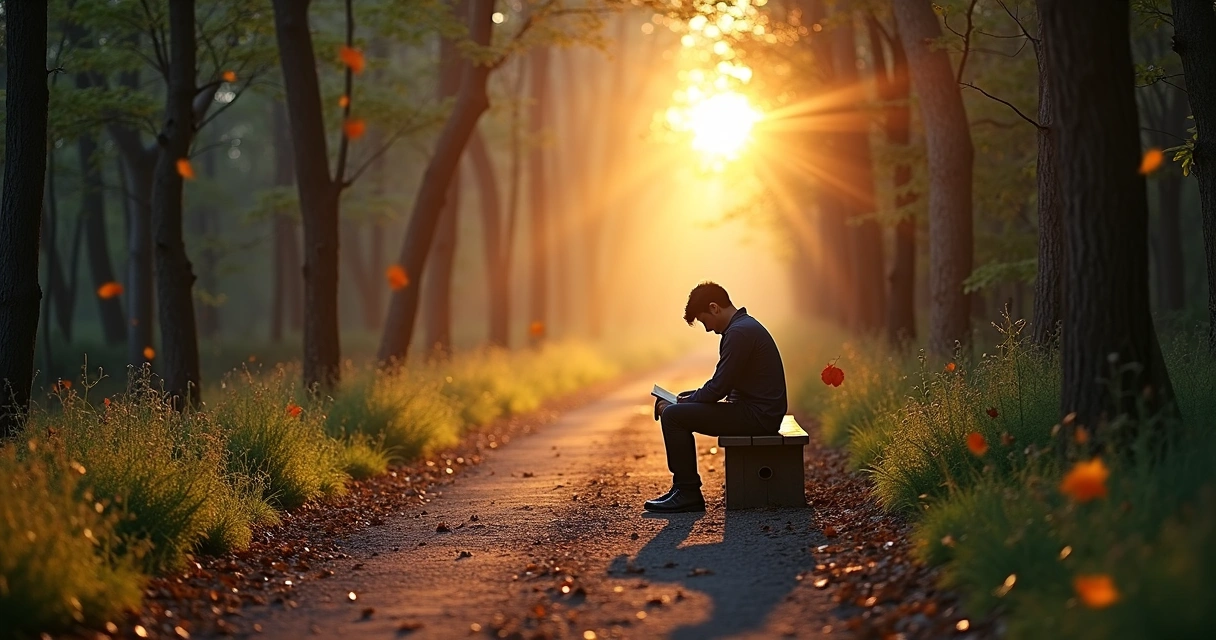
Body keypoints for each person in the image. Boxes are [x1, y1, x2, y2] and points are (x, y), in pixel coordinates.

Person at [645, 282, 788, 513]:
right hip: (755, 411)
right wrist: (684, 398)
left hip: (758, 417)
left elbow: (717, 389)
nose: (708, 329)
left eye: (704, 322)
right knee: (677, 408)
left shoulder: (739, 333)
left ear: (714, 308)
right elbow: (720, 386)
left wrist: (679, 403)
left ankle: (687, 491)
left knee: (673, 416)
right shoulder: (742, 328)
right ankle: (682, 488)